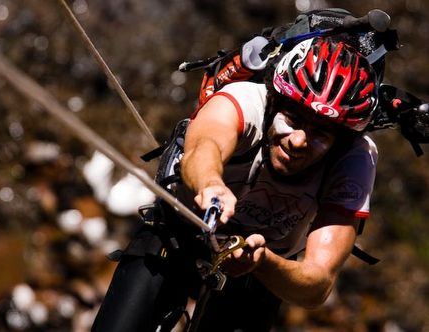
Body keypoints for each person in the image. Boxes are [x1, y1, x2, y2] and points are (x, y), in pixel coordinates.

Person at [92, 13, 383, 332]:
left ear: (342, 138)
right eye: (294, 119)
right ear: (275, 100)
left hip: (263, 266)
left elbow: (317, 283)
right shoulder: (243, 102)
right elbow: (205, 148)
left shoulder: (355, 157)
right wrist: (211, 185)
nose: (299, 140)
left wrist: (262, 261)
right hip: (181, 229)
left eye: (321, 134)